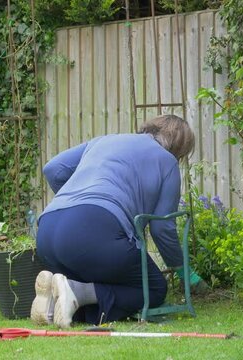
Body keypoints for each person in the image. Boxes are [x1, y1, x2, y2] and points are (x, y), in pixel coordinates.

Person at [31, 114, 204, 329]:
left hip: (47, 230)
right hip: (93, 231)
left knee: (106, 278)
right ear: (179, 147)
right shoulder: (166, 161)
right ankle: (76, 292)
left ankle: (54, 300)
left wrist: (76, 201)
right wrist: (183, 271)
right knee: (154, 288)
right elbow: (162, 227)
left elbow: (53, 169)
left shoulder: (104, 140)